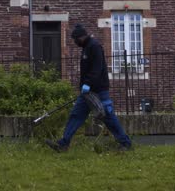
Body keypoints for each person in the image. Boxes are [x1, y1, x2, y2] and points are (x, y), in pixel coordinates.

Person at [45, 24, 132, 152]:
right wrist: (84, 87)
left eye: (75, 40)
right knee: (75, 115)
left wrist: (88, 84)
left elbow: (97, 68)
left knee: (108, 116)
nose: (75, 43)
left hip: (99, 90)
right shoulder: (86, 48)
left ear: (81, 37)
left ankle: (125, 143)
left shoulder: (94, 46)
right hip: (86, 93)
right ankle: (63, 144)